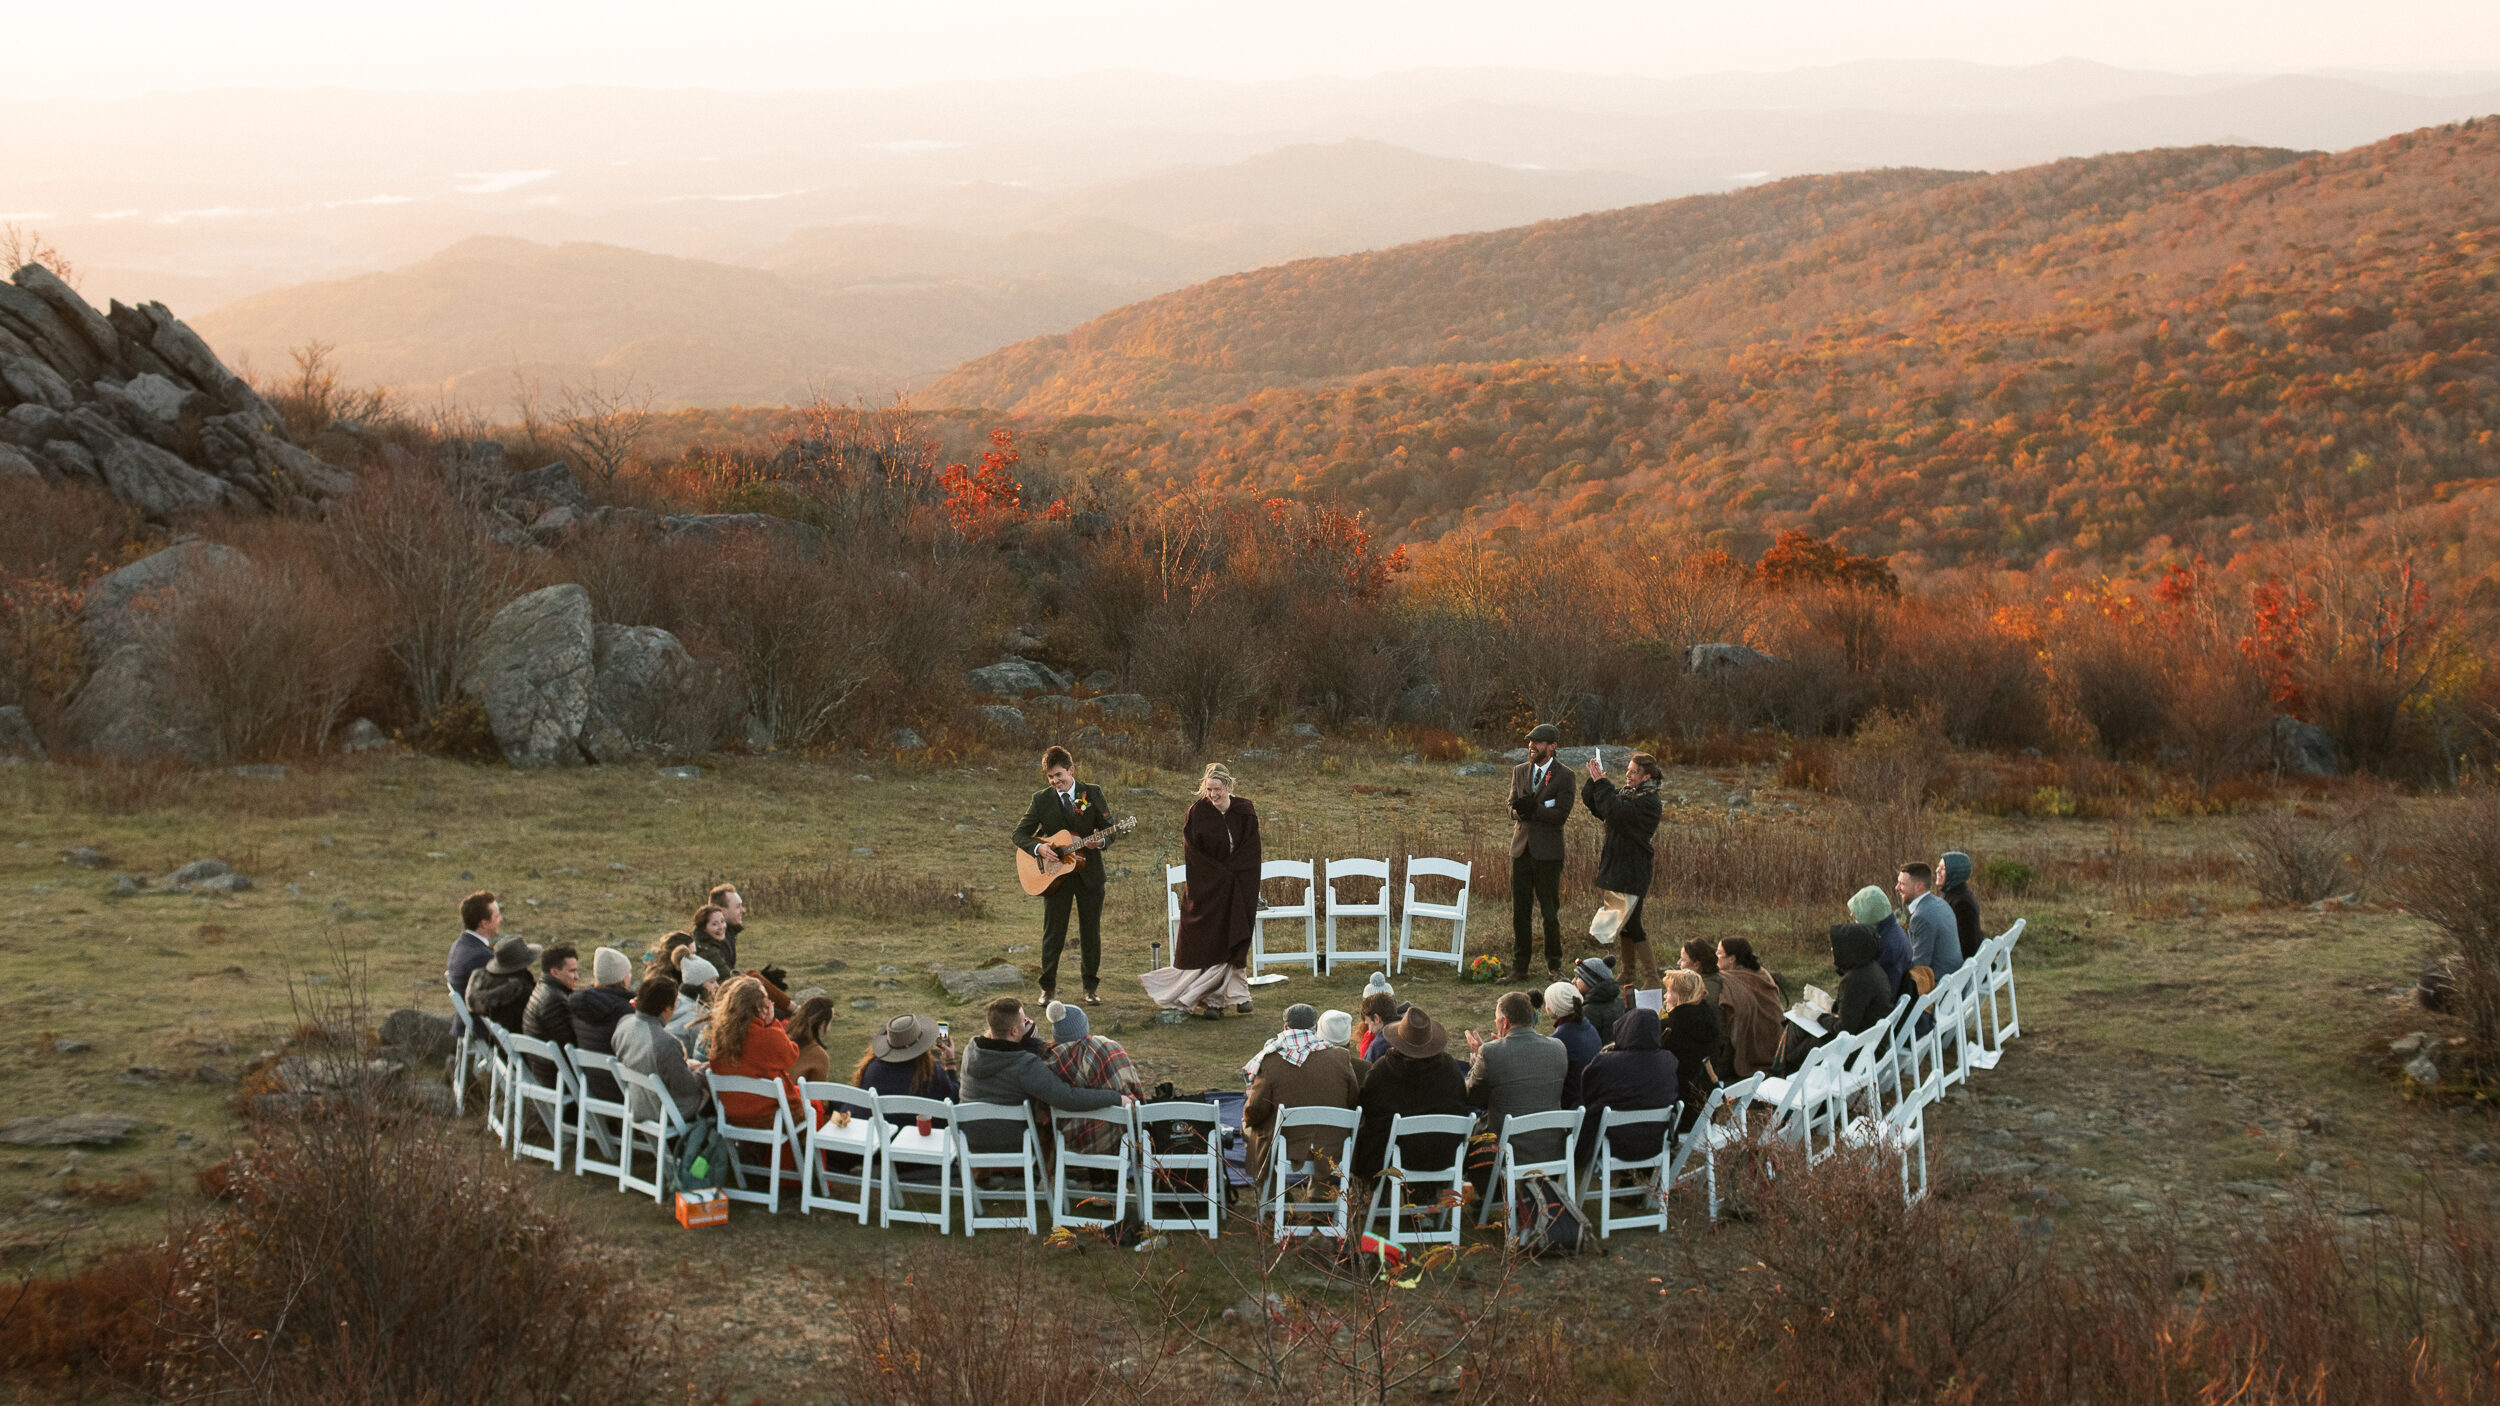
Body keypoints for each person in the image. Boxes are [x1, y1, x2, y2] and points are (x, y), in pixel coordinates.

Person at [1142, 762, 1260, 1018]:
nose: (1213, 795)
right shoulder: (1197, 813)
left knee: (1236, 934)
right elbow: (1194, 854)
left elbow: (1251, 850)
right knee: (1209, 940)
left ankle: (1236, 994)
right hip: (1207, 886)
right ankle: (1213, 1000)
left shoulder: (1244, 811)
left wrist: (1234, 877)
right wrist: (1220, 877)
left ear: (1229, 786)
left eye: (1217, 789)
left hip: (1239, 885)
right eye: (1209, 790)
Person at [1012, 745, 1120, 1007]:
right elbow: (1019, 834)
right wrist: (1040, 848)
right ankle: (1047, 989)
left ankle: (1090, 988)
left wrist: (1100, 843)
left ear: (1071, 770)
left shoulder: (1091, 793)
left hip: (1089, 875)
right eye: (1050, 777)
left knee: (1090, 933)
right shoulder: (1042, 799)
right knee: (1053, 933)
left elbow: (1110, 831)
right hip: (1054, 877)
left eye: (1059, 775)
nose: (1055, 781)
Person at [959, 997, 1127, 1152]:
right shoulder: (1024, 1064)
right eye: (1023, 1021)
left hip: (968, 1139)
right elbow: (1068, 1098)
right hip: (1011, 1144)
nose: (1027, 1024)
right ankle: (1052, 1176)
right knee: (1048, 1119)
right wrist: (1115, 1098)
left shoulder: (971, 1050)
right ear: (1014, 1032)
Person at [1351, 1007, 1474, 1181]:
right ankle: (1430, 1192)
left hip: (1392, 1159)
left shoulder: (1382, 1070)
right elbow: (1462, 1100)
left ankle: (1376, 1194)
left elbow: (1365, 1105)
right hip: (1444, 1156)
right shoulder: (1449, 1068)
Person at [1242, 1003, 1364, 1174]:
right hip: (1331, 1148)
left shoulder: (1270, 1061)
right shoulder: (1341, 1057)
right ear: (1314, 1027)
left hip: (1285, 1147)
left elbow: (1255, 1109)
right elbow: (1353, 1101)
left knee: (1249, 1128)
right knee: (1324, 1131)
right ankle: (1319, 1190)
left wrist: (1247, 1120)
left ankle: (1268, 1193)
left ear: (1285, 1027)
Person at [1583, 750, 1666, 992]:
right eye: (1627, 770)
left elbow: (1616, 812)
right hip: (1618, 865)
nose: (1628, 775)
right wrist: (1594, 781)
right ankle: (1628, 972)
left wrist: (1603, 784)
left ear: (1646, 776)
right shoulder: (1627, 794)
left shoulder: (1649, 802)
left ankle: (1651, 977)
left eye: (1633, 772)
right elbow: (1600, 806)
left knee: (1634, 922)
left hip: (1634, 868)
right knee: (1626, 923)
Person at [1465, 991, 1569, 1173]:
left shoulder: (1490, 1053)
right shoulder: (1558, 1047)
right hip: (1551, 1151)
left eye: (1496, 1020)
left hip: (1506, 1152)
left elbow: (1471, 1096)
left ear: (1504, 1022)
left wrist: (1479, 1061)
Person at [1509, 722, 1579, 979]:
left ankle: (1554, 966)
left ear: (1552, 746)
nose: (1531, 746)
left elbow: (1560, 815)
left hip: (1548, 854)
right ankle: (1520, 967)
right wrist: (1517, 810)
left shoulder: (1565, 776)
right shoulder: (1519, 771)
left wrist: (1535, 810)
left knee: (1549, 912)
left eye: (1537, 742)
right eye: (1530, 741)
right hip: (1520, 850)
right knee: (1520, 911)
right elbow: (1510, 805)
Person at [1576, 1008, 1679, 1172]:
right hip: (1655, 1142)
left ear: (1625, 1029)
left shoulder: (1605, 1062)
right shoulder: (1668, 1061)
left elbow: (1587, 1094)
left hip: (1614, 1142)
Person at [1043, 1000, 1144, 1154]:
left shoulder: (1050, 1059)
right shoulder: (1104, 1047)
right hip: (1112, 1132)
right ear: (1083, 1028)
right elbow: (1128, 1089)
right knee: (1127, 1113)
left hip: (1069, 1137)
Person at [707, 975, 803, 1131]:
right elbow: (791, 1057)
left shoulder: (719, 1037)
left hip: (734, 1119)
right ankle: (799, 1156)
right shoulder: (769, 1036)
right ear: (758, 1006)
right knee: (815, 1110)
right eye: (766, 999)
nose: (770, 1003)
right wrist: (773, 1024)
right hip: (771, 1118)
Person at [613, 974, 708, 1124]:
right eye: (676, 1004)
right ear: (666, 1008)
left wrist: (687, 1067)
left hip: (637, 1103)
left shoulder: (623, 1024)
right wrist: (703, 1072)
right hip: (667, 1110)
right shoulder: (665, 1042)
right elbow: (686, 1086)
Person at [854, 1014, 960, 1124]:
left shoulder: (872, 1069)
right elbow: (953, 1098)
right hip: (918, 1136)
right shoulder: (930, 1073)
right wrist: (950, 1062)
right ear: (921, 1044)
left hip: (882, 1134)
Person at [570, 947, 637, 1102]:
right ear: (621, 978)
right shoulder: (625, 1012)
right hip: (621, 1090)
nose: (630, 976)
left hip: (594, 1086)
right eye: (628, 972)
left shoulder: (578, 1005)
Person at [1659, 971, 1722, 1129]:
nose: (1666, 996)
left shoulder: (1673, 1026)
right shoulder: (1709, 1017)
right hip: (1705, 1106)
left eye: (1669, 992)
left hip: (1681, 1110)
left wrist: (1664, 1015)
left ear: (1681, 996)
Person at [1716, 938, 1785, 1077]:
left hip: (1770, 1037)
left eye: (1718, 953)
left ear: (1731, 959)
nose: (1715, 957)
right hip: (1779, 1038)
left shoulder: (1730, 979)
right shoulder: (1761, 972)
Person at [519, 943, 579, 1082]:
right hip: (556, 1079)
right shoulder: (554, 1001)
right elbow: (570, 1047)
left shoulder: (542, 989)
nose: (577, 977)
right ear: (555, 972)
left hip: (543, 1071)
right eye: (572, 971)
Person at [1679, 939, 1735, 1079]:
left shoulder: (1699, 993)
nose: (1678, 964)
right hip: (1726, 1055)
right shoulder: (1719, 979)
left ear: (1697, 965)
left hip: (1715, 1064)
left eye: (1683, 960)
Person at [1898, 862, 1965, 981]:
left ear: (1919, 886)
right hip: (1954, 977)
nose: (1897, 888)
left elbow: (1920, 966)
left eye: (1902, 884)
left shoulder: (1921, 916)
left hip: (1940, 984)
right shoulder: (1941, 903)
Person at [1830, 922, 1895, 1036]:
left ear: (1850, 949)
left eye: (1837, 946)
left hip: (1861, 1048)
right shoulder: (1874, 968)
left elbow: (1843, 1029)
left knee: (1799, 1033)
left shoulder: (1854, 980)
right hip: (1873, 1040)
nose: (1832, 949)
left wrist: (1818, 1018)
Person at [464, 936, 539, 1034]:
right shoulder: (522, 989)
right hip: (522, 1039)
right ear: (525, 963)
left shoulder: (483, 980)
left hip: (497, 1036)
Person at [446, 891, 500, 1027]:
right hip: (482, 1026)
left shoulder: (461, 944)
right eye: (497, 916)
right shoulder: (480, 956)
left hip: (468, 1022)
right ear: (484, 924)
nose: (500, 920)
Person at [1849, 885, 1913, 999]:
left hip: (1884, 1011)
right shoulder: (1892, 931)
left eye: (1857, 912)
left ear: (1870, 915)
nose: (1852, 915)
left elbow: (1869, 990)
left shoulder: (1886, 946)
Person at [1546, 981, 1598, 1108]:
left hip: (1573, 1106)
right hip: (1592, 1098)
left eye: (1547, 1002)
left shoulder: (1558, 1040)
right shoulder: (1589, 1027)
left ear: (1554, 1008)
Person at [669, 955, 721, 1054]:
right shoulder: (699, 1016)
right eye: (712, 982)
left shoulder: (674, 1002)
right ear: (698, 986)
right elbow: (701, 1054)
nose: (717, 986)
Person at [1940, 851, 1984, 962]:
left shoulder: (1962, 903)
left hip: (1963, 968)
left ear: (1954, 872)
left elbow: (1967, 945)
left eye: (1943, 868)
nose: (1937, 871)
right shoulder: (1956, 895)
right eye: (1938, 867)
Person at [1573, 956, 1626, 1047]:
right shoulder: (1621, 1002)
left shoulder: (1588, 1012)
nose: (1573, 981)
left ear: (1590, 981)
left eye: (1578, 977)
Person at [787, 996, 835, 1085]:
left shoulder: (784, 1040)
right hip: (797, 1098)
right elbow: (818, 1094)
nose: (830, 1028)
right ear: (822, 1024)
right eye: (831, 1022)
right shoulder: (818, 1056)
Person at [689, 905, 735, 978]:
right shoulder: (708, 951)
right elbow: (728, 977)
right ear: (703, 928)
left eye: (722, 921)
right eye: (714, 924)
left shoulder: (703, 943)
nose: (721, 927)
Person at [707, 883, 746, 968]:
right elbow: (724, 978)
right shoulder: (718, 938)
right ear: (722, 911)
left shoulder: (728, 933)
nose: (743, 910)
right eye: (737, 907)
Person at [1356, 989, 1401, 1062]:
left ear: (1376, 1018)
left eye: (1368, 1024)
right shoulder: (1408, 1028)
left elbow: (1366, 1070)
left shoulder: (1377, 1046)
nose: (1370, 1031)